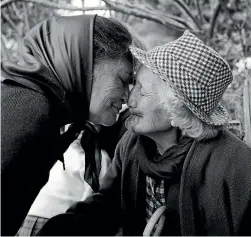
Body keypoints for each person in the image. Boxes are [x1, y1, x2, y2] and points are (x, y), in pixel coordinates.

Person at [38, 30, 251, 236]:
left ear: (176, 107)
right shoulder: (131, 144)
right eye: (133, 86)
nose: (129, 100)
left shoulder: (235, 166)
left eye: (143, 90)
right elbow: (108, 205)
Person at [1, 14, 133, 236]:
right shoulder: (29, 111)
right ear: (82, 64)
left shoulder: (38, 107)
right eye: (122, 79)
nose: (127, 97)